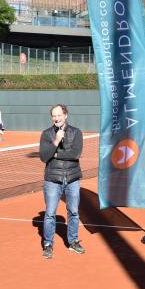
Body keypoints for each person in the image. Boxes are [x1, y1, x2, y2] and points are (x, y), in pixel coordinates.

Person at [38, 103, 85, 259]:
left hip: (72, 179)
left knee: (74, 212)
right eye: (54, 115)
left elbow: (76, 154)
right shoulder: (46, 134)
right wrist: (56, 141)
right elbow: (44, 156)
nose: (56, 118)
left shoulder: (76, 133)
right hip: (52, 179)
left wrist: (56, 155)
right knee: (50, 214)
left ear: (66, 115)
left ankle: (73, 242)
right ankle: (48, 244)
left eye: (59, 115)